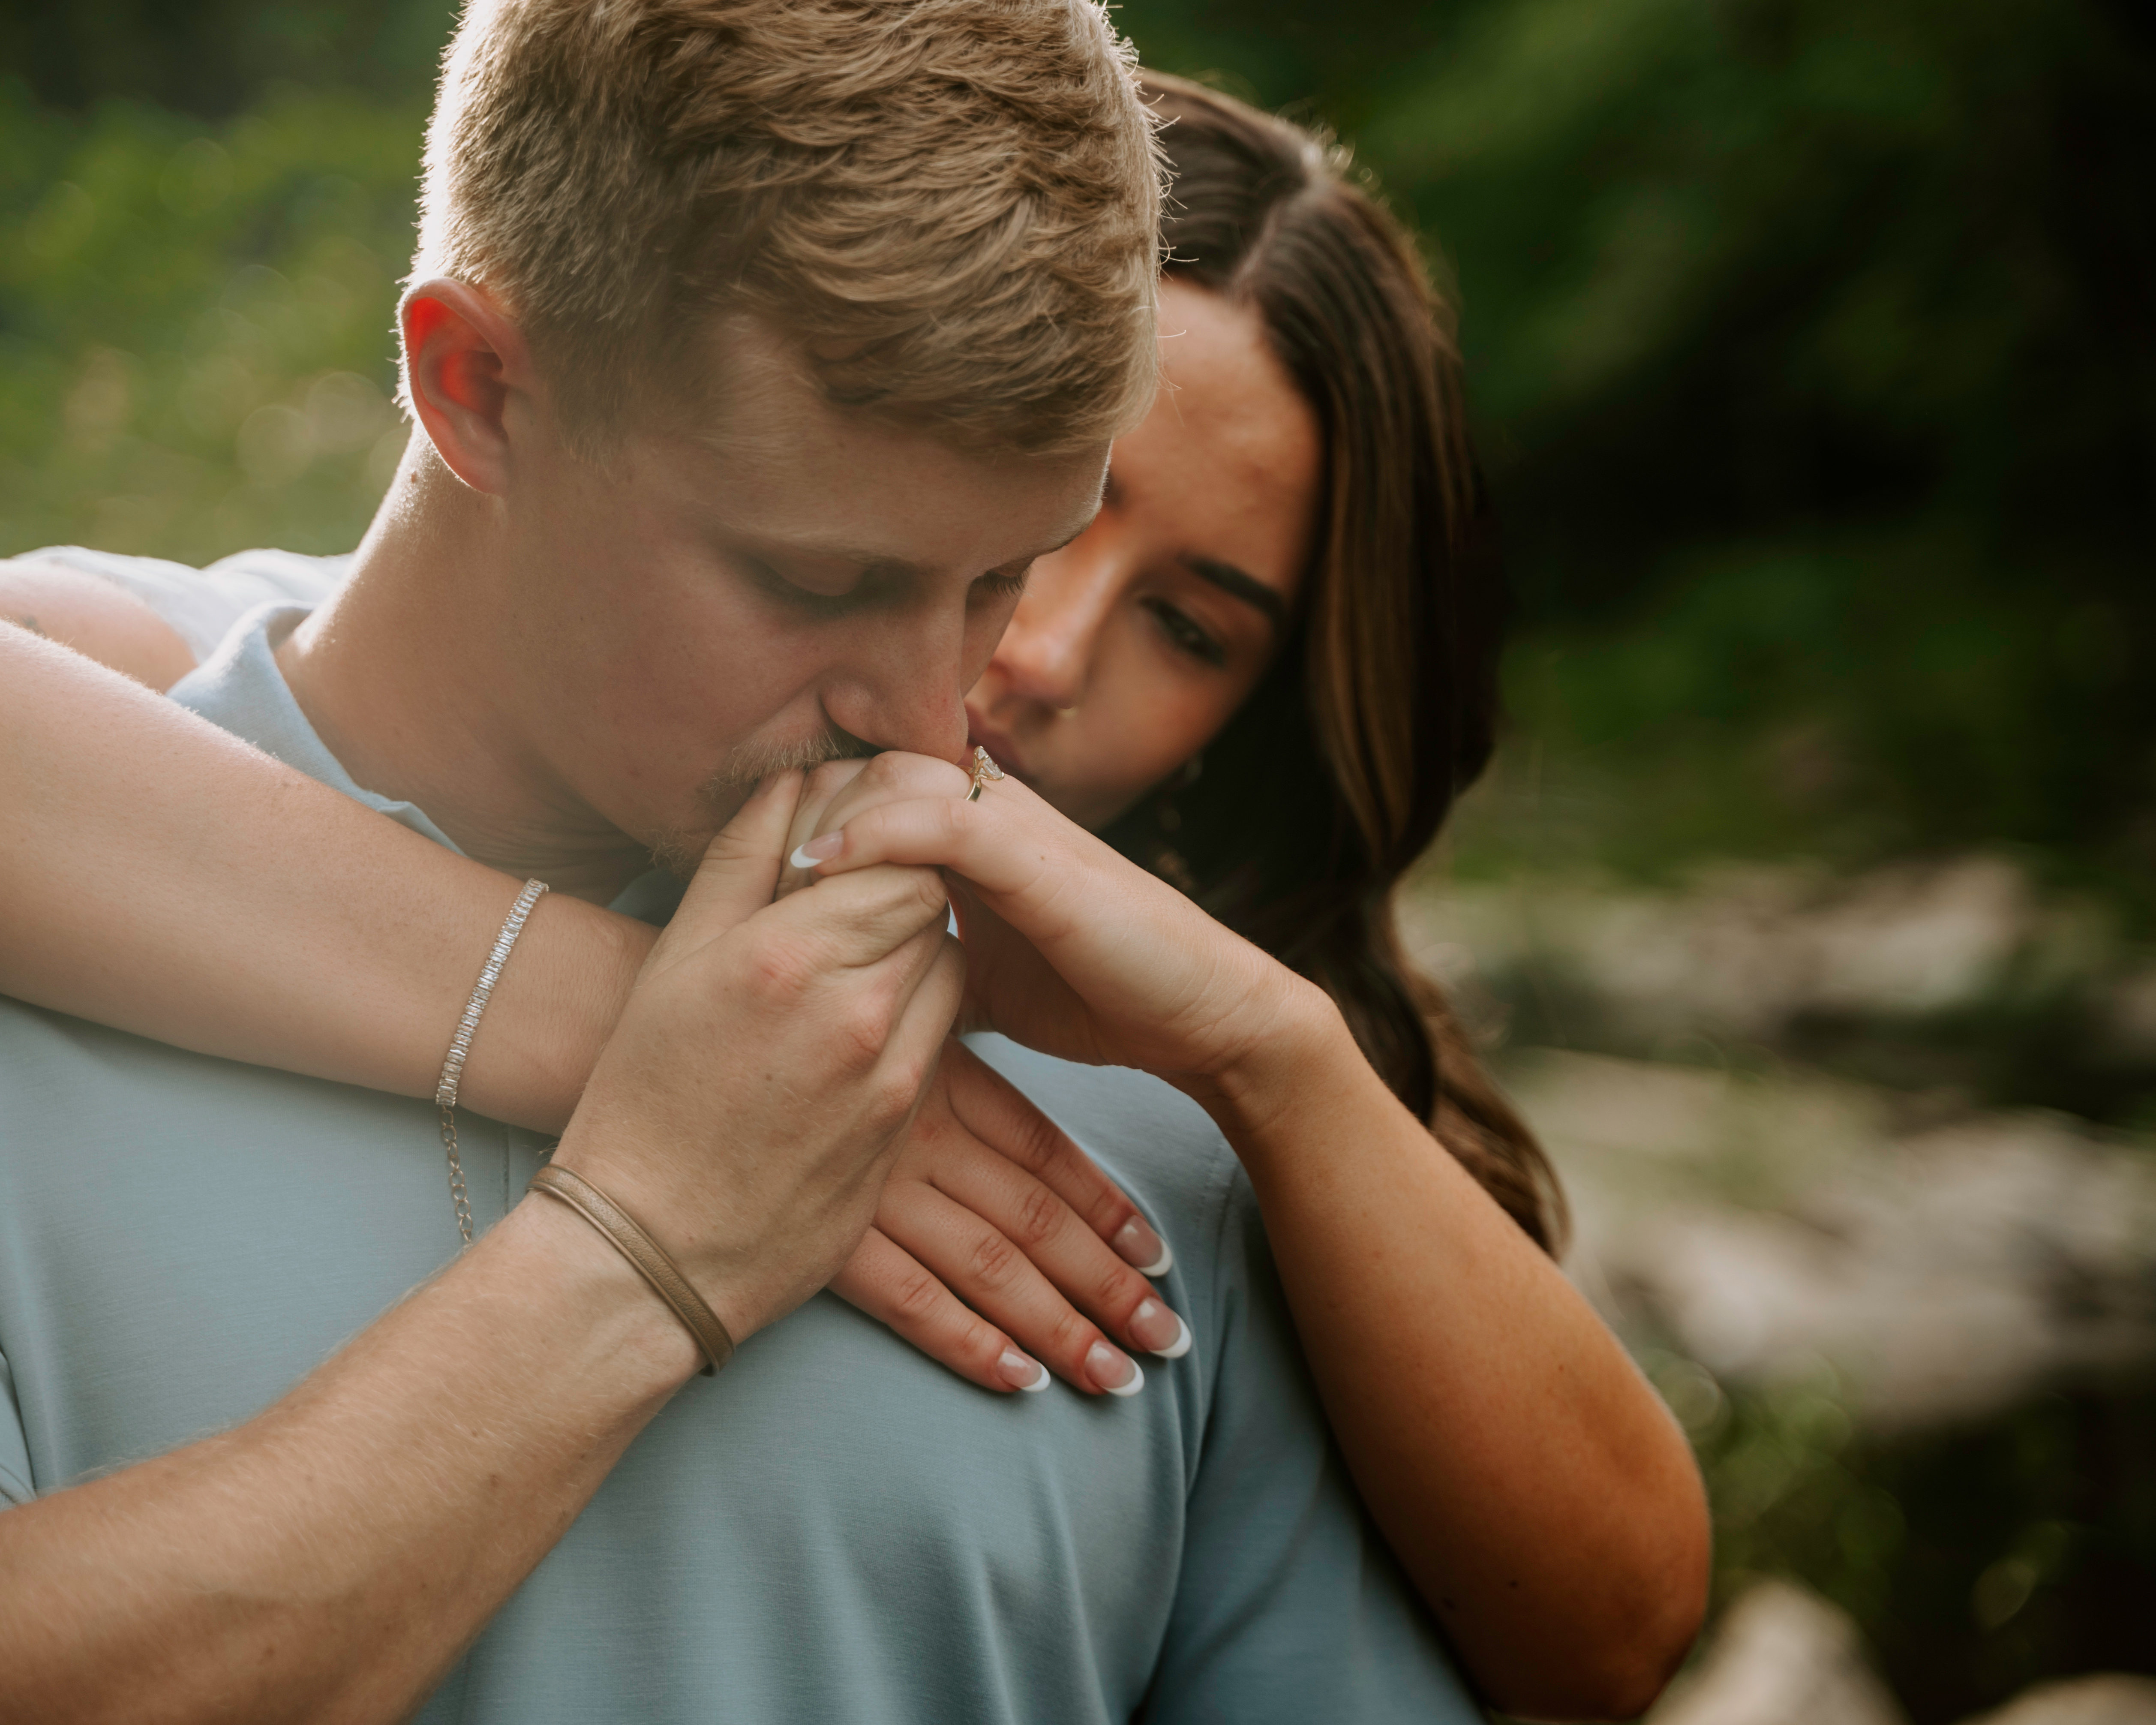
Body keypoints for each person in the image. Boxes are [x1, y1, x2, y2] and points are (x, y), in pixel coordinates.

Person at [0, 69, 1712, 1723]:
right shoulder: (109, 802)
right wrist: (656, 1117)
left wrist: (1276, 1053)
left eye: (1006, 575)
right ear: (484, 398)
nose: (988, 679)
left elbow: (1615, 1615)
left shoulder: (1180, 1162)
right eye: (838, 572)